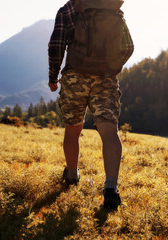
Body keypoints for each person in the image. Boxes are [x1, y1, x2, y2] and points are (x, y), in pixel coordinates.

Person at [48, 0, 133, 209]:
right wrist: (111, 67)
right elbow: (128, 47)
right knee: (109, 131)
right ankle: (111, 188)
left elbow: (56, 45)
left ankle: (72, 175)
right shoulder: (112, 7)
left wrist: (53, 77)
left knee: (73, 129)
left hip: (75, 77)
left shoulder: (70, 8)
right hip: (105, 78)